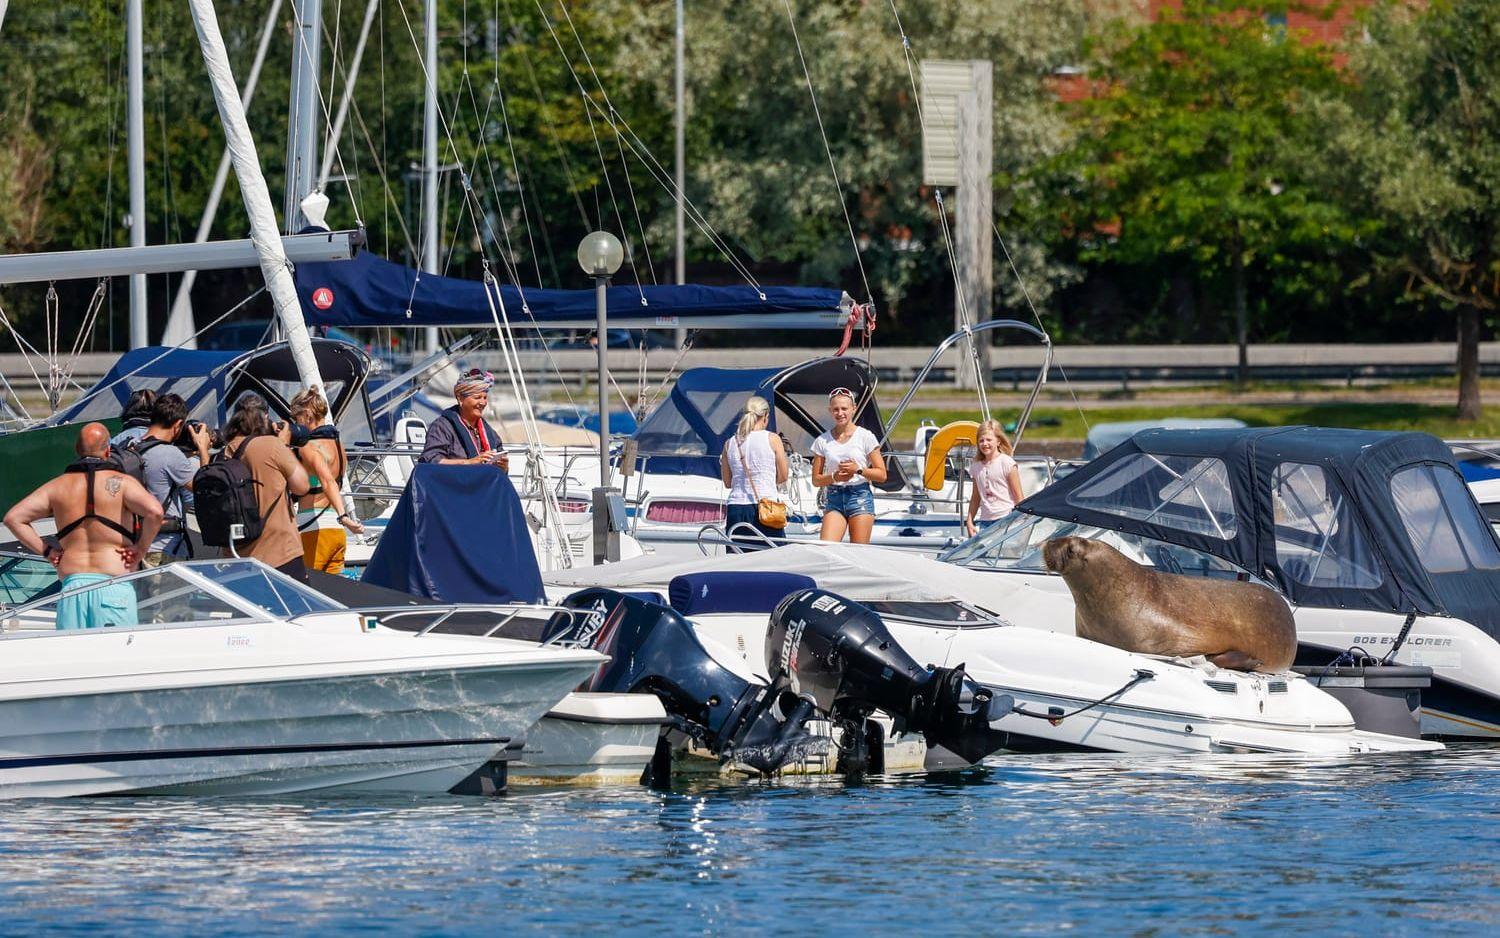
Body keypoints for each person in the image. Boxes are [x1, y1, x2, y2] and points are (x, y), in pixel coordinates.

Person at [2, 423, 163, 629]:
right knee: (115, 658)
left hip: (72, 589)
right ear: (107, 450)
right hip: (112, 584)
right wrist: (140, 549)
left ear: (77, 451)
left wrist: (48, 551)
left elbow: (13, 518)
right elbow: (155, 512)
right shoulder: (122, 483)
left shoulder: (57, 486)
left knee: (73, 658)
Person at [219, 393, 312, 581]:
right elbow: (302, 486)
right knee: (297, 609)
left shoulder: (223, 453)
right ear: (266, 418)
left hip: (236, 556)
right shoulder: (271, 446)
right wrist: (283, 444)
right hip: (278, 552)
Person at [287, 388, 364, 574]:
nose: (296, 425)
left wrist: (344, 516)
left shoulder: (309, 447)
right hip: (336, 533)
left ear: (306, 415)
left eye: (296, 419)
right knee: (332, 595)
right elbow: (335, 481)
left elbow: (327, 481)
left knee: (309, 593)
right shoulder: (339, 446)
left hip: (314, 528)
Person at [131, 392, 212, 566]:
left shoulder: (129, 447)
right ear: (178, 425)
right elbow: (204, 487)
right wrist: (203, 449)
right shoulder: (170, 454)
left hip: (131, 546)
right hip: (163, 550)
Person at [810, 387, 887, 544]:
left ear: (854, 409)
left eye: (844, 408)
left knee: (858, 551)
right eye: (836, 409)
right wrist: (834, 476)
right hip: (834, 497)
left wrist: (858, 470)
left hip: (859, 496)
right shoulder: (822, 441)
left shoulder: (865, 436)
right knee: (826, 548)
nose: (840, 413)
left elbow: (882, 475)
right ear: (830, 411)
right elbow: (816, 480)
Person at [719, 396, 789, 550]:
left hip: (736, 507)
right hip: (765, 507)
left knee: (738, 560)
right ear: (766, 417)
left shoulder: (730, 443)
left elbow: (727, 482)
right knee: (771, 558)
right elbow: (784, 475)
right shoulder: (772, 439)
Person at [419, 368, 510, 470]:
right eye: (477, 398)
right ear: (460, 398)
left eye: (484, 398)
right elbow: (430, 460)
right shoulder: (442, 427)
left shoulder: (489, 432)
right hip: (454, 484)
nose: (483, 403)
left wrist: (504, 467)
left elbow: (500, 458)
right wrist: (469, 462)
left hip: (483, 483)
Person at [964, 419, 1025, 537]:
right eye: (981, 440)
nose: (985, 443)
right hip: (985, 522)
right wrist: (969, 521)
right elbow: (975, 497)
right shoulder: (976, 467)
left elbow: (1019, 497)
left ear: (998, 441)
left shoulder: (1007, 463)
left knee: (1008, 554)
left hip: (1007, 519)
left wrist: (1022, 522)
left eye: (989, 440)